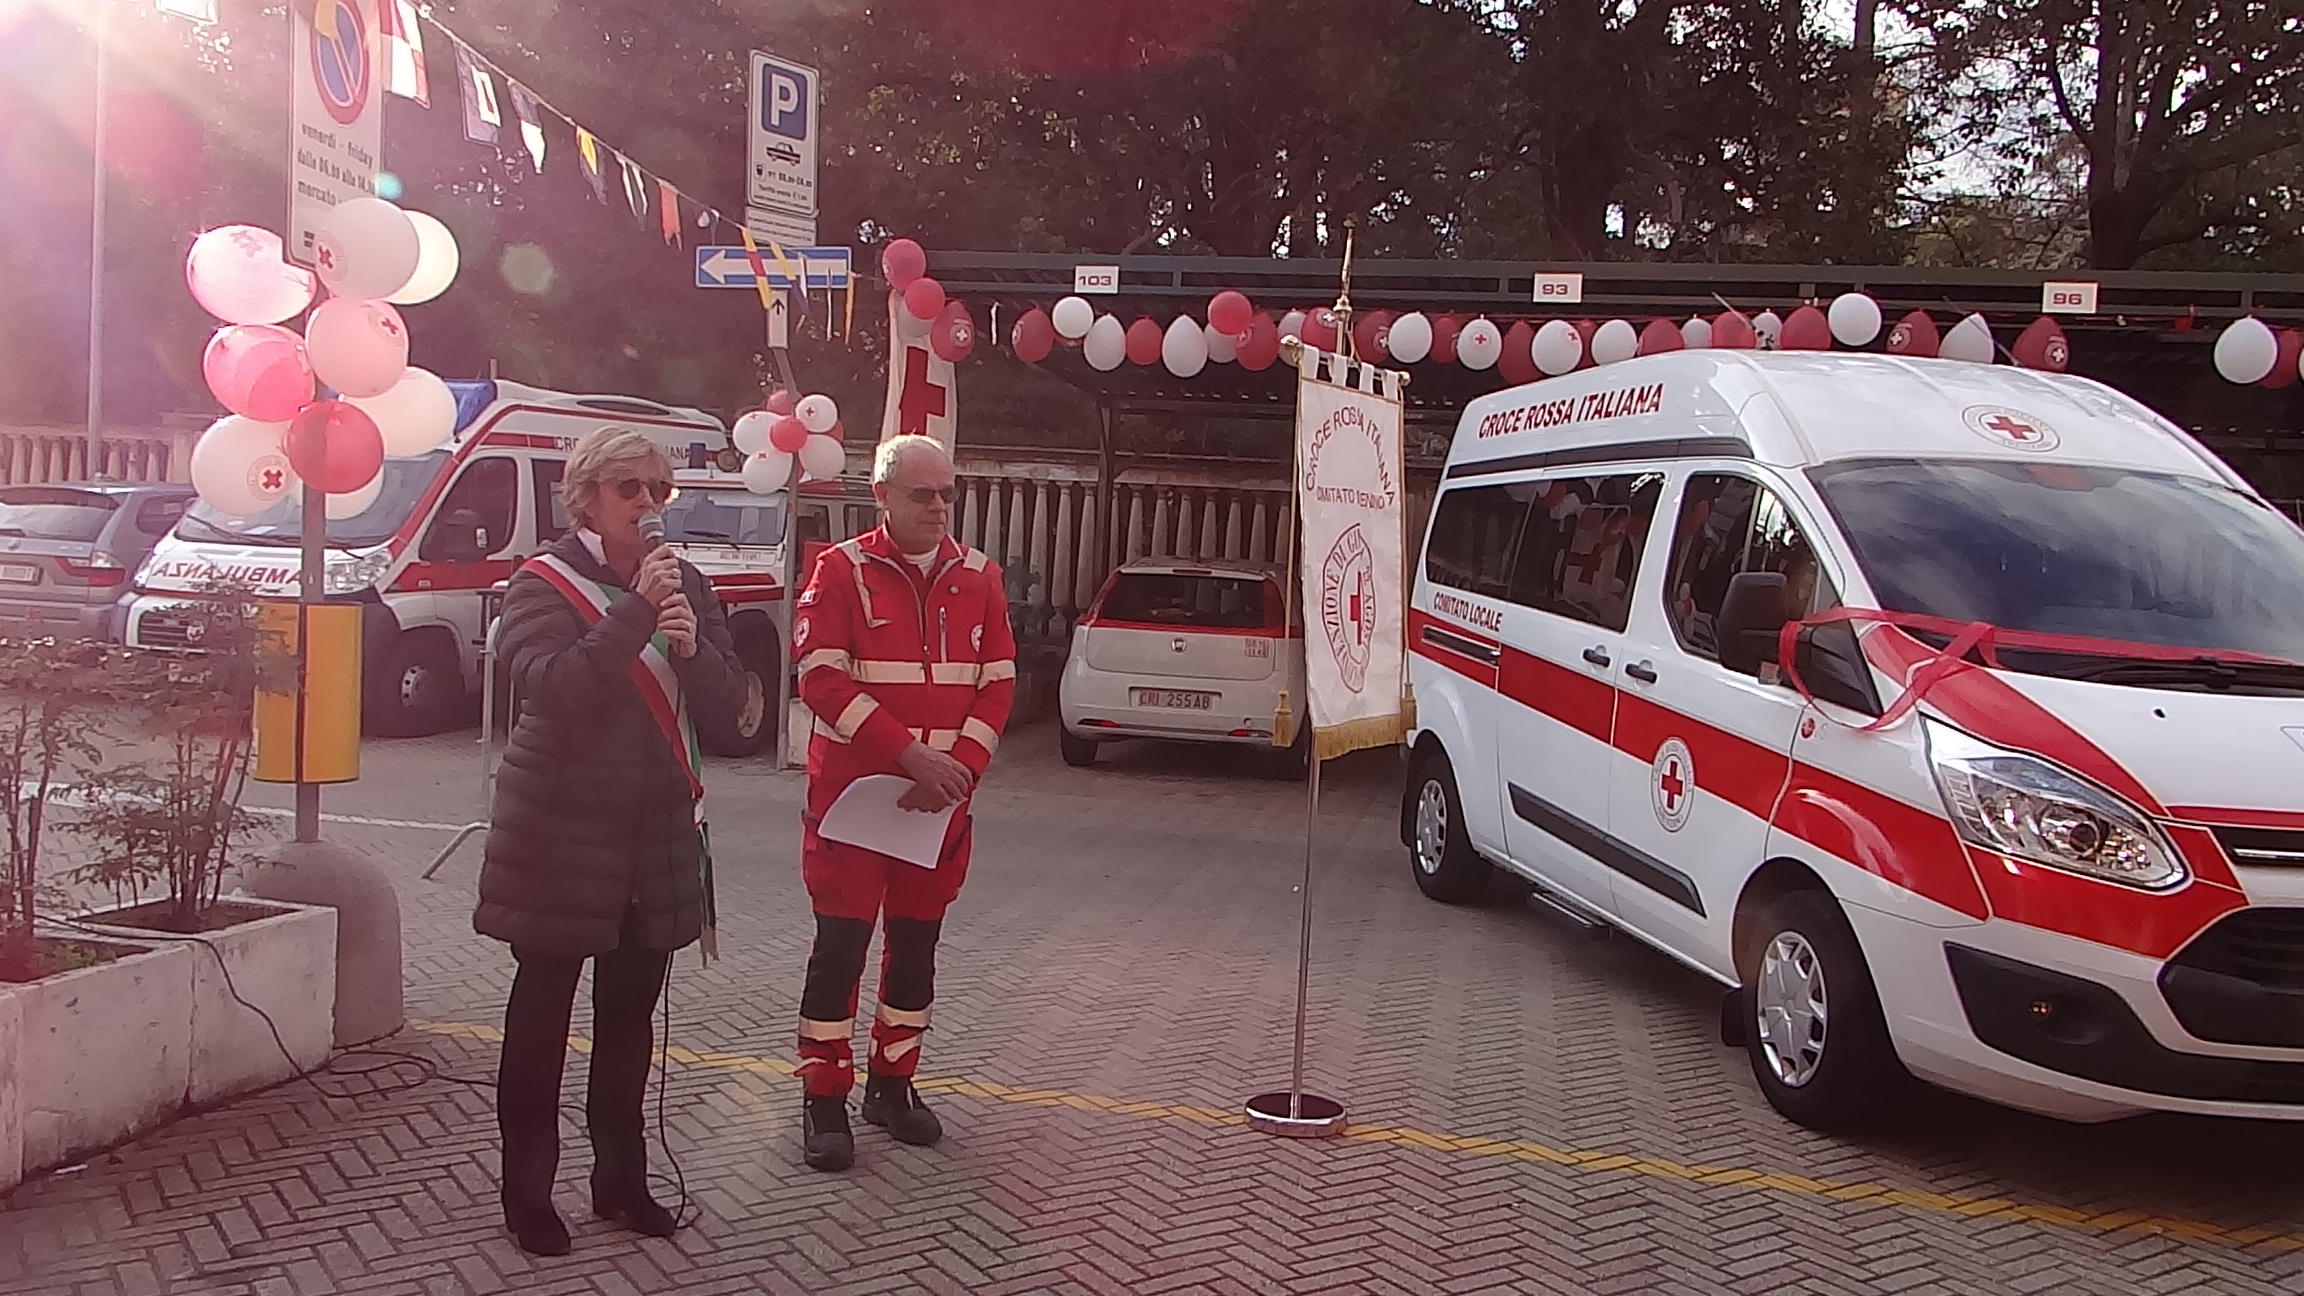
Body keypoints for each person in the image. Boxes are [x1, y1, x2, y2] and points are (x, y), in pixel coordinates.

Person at [473, 426, 742, 1255]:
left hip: (651, 837)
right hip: (560, 832)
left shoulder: (687, 584)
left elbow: (732, 709)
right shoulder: (542, 583)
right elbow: (550, 688)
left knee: (629, 1023)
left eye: (659, 489)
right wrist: (635, 615)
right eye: (630, 488)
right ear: (586, 498)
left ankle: (621, 1183)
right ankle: (528, 1196)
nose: (648, 504)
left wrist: (692, 652)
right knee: (541, 1025)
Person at [788, 434, 1016, 1171]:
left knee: (916, 952)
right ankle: (823, 1097)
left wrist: (958, 772)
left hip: (939, 809)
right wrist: (908, 757)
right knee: (840, 952)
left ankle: (892, 1084)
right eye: (924, 494)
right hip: (854, 805)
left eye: (948, 492)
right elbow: (820, 679)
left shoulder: (981, 576)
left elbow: (999, 685)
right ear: (881, 495)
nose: (940, 506)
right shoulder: (840, 570)